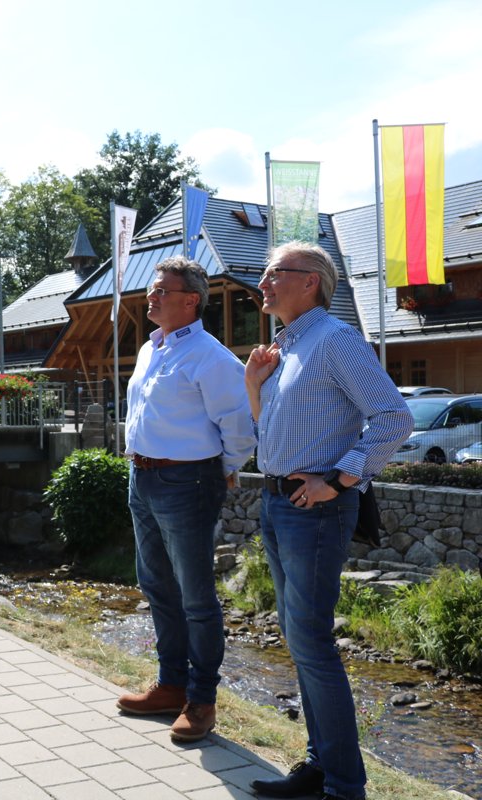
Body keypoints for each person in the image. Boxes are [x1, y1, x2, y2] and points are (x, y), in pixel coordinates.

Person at [244, 242, 412, 800]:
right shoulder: (285, 348)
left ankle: (343, 787)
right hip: (279, 504)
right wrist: (253, 385)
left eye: (273, 274)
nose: (262, 283)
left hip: (312, 509)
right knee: (299, 639)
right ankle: (321, 769)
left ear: (310, 281)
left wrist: (338, 481)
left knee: (310, 641)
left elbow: (394, 418)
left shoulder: (335, 341)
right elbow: (274, 433)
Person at [117, 256, 255, 742]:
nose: (150, 298)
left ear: (191, 300)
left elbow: (239, 428)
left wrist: (225, 471)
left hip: (188, 483)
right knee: (156, 584)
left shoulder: (214, 358)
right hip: (144, 477)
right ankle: (171, 683)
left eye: (161, 291)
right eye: (152, 290)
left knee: (196, 597)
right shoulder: (151, 349)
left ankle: (201, 700)